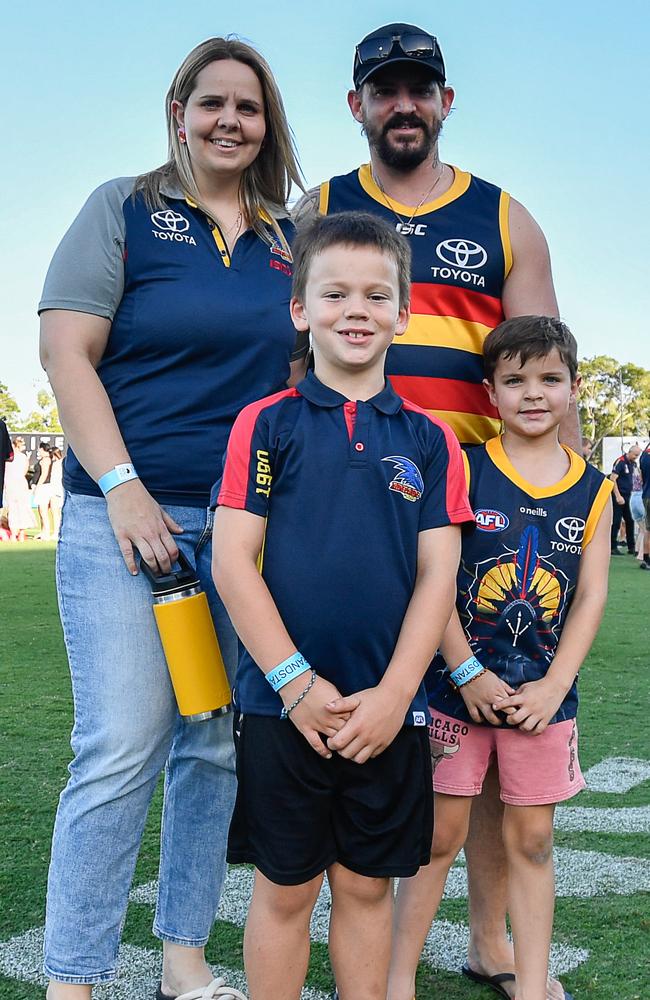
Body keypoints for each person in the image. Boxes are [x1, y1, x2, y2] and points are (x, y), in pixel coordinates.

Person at [293, 21, 580, 999]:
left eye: (421, 88)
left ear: (444, 102)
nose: (403, 104)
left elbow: (544, 368)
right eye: (386, 89)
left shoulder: (504, 220)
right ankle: (356, 946)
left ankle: (490, 945)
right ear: (358, 106)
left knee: (490, 741)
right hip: (339, 509)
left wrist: (564, 512)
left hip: (471, 519)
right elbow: (282, 352)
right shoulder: (318, 208)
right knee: (347, 728)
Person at [38, 36, 305, 1000]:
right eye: (212, 102)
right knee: (121, 745)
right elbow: (68, 354)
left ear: (267, 121)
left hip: (239, 532)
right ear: (179, 111)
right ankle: (73, 977)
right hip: (125, 527)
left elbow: (297, 381)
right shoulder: (123, 208)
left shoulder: (288, 243)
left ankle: (183, 958)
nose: (230, 120)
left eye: (249, 105)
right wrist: (123, 488)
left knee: (212, 741)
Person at [212, 212, 474, 1000]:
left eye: (375, 295)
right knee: (285, 890)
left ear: (402, 312)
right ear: (300, 310)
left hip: (387, 713)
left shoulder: (431, 440)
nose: (355, 309)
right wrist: (294, 684)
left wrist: (398, 695)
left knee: (365, 889)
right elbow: (231, 560)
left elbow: (439, 577)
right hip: (280, 706)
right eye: (334, 293)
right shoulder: (267, 423)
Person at [389, 316, 613, 1000]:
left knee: (533, 842)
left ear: (574, 389)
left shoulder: (595, 488)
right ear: (490, 393)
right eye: (515, 381)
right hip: (457, 691)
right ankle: (394, 982)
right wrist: (465, 669)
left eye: (549, 379)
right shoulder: (464, 467)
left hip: (543, 705)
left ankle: (530, 977)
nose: (533, 394)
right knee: (438, 836)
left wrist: (554, 686)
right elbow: (435, 581)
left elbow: (591, 598)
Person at [609, 444, 641, 555]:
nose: (636, 457)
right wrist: (617, 496)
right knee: (616, 521)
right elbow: (612, 479)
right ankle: (612, 546)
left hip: (629, 496)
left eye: (638, 455)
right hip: (619, 495)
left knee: (630, 521)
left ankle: (631, 546)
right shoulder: (620, 462)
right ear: (630, 452)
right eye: (635, 454)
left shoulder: (633, 463)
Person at [3, 435, 35, 541]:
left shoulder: (8, 457)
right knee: (23, 508)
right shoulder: (23, 457)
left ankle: (13, 534)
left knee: (12, 509)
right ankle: (21, 532)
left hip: (10, 484)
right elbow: (24, 471)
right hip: (20, 483)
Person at [639, 442, 650, 570]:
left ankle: (646, 559)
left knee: (648, 528)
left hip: (646, 494)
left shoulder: (644, 455)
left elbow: (642, 476)